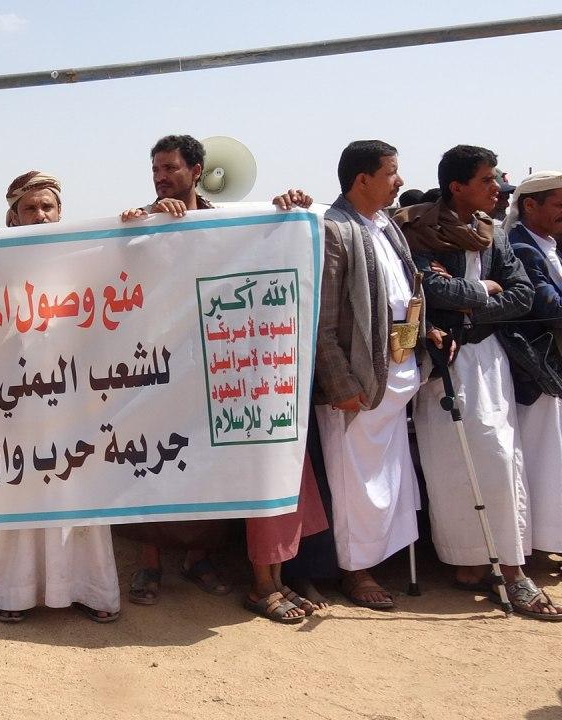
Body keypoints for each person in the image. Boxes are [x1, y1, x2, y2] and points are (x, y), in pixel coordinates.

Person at [117, 134, 317, 612]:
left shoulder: (228, 223)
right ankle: (150, 563)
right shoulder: (143, 221)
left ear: (196, 171)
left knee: (209, 464)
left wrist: (287, 211)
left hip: (216, 366)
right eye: (156, 169)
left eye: (170, 168)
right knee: (152, 463)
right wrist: (139, 225)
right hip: (157, 367)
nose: (161, 177)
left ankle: (198, 559)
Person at [396, 145, 558, 620]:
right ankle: (468, 561)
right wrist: (483, 290)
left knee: (500, 457)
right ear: (457, 186)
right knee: (451, 464)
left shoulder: (494, 233)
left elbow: (522, 295)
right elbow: (427, 289)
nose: (496, 189)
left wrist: (469, 305)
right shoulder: (417, 229)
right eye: (487, 180)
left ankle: (511, 567)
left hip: (489, 359)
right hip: (443, 362)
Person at [0, 171, 122, 624]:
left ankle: (90, 590)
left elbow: (130, 275)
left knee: (81, 493)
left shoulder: (85, 254)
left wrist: (138, 224)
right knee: (23, 495)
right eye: (29, 208)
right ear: (13, 216)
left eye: (47, 207)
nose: (40, 215)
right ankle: (15, 595)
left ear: (60, 211)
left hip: (78, 397)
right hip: (17, 400)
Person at [315, 140, 438, 610]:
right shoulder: (335, 229)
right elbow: (323, 320)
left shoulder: (387, 226)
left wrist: (426, 332)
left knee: (390, 478)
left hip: (397, 373)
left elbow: (403, 294)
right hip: (358, 385)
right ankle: (355, 570)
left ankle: (382, 557)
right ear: (362, 179)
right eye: (391, 172)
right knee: (355, 483)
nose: (399, 181)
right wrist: (341, 383)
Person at [504, 172, 562, 560]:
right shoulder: (522, 248)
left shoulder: (548, 245)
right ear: (530, 205)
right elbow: (548, 307)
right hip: (537, 371)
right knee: (543, 458)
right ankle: (542, 543)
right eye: (559, 204)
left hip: (551, 369)